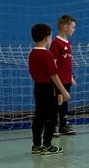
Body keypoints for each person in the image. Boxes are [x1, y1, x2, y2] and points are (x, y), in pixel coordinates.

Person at [29, 23, 70, 155]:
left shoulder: (32, 53)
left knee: (39, 116)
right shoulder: (47, 55)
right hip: (48, 88)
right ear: (47, 38)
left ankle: (36, 145)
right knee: (51, 117)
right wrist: (63, 91)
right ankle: (47, 145)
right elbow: (54, 75)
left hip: (38, 88)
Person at [50, 14, 76, 136]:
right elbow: (53, 64)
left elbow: (68, 63)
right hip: (58, 80)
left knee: (65, 101)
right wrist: (56, 80)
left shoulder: (68, 43)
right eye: (72, 27)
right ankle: (53, 126)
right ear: (65, 27)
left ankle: (63, 125)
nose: (74, 30)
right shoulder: (56, 43)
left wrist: (71, 76)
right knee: (58, 101)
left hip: (66, 79)